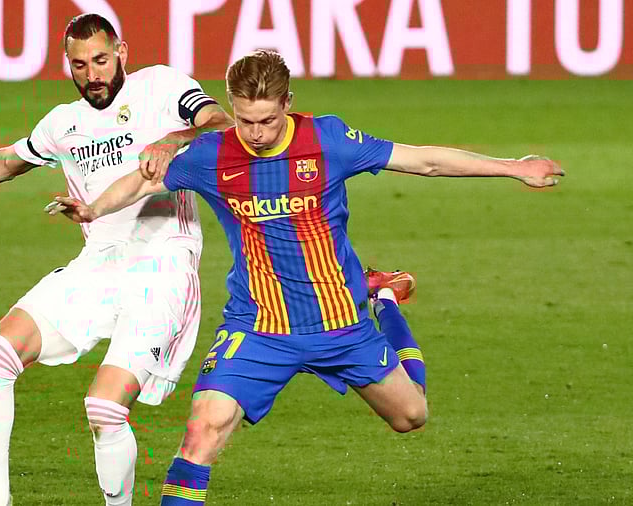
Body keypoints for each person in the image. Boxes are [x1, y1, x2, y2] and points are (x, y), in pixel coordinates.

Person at [53, 49, 564, 504]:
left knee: (411, 416)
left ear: (289, 103)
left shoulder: (329, 140)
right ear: (230, 106)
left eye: (268, 120)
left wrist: (514, 167)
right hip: (257, 326)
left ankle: (381, 298)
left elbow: (425, 161)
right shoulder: (211, 156)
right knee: (202, 431)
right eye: (245, 120)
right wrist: (94, 208)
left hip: (340, 320)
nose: (256, 133)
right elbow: (141, 181)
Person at [0, 13, 233, 506]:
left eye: (101, 60)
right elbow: (3, 162)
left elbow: (222, 123)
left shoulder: (161, 87)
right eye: (80, 65)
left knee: (104, 407)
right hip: (98, 264)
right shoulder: (65, 124)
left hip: (163, 267)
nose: (92, 74)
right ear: (68, 65)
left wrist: (175, 139)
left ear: (121, 51)